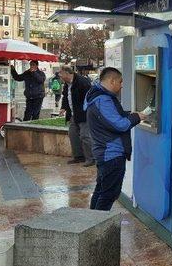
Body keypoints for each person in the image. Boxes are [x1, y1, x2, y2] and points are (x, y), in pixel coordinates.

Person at [84, 67, 145, 211]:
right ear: (112, 81)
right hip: (111, 154)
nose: (122, 85)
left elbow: (111, 117)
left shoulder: (97, 95)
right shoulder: (103, 100)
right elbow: (120, 125)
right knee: (108, 195)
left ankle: (91, 223)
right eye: (120, 81)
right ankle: (98, 230)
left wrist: (129, 113)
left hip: (105, 152)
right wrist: (136, 117)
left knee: (101, 191)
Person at [59, 66, 94, 166]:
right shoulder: (67, 84)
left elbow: (90, 98)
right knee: (73, 133)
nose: (60, 76)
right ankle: (79, 157)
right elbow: (65, 96)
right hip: (74, 114)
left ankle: (91, 158)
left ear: (67, 73)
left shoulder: (82, 82)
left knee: (85, 135)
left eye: (61, 73)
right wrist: (63, 107)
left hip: (84, 113)